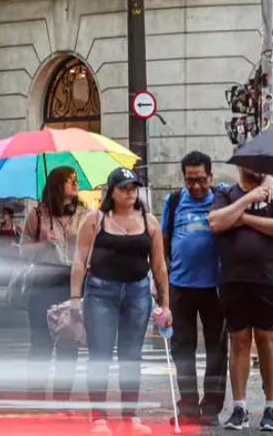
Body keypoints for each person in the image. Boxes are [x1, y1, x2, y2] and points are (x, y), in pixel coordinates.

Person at [70, 167, 171, 436]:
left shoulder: (149, 221)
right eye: (124, 187)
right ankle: (98, 417)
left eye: (133, 187)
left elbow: (159, 267)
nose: (130, 192)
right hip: (101, 293)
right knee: (99, 355)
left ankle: (130, 416)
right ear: (111, 192)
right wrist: (74, 299)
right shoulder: (95, 219)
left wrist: (166, 304)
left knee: (131, 357)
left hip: (138, 293)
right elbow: (79, 261)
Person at [209, 167, 273, 432]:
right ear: (240, 164)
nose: (255, 166)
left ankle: (270, 406)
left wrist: (243, 218)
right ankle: (240, 407)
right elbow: (215, 223)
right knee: (239, 340)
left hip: (268, 277)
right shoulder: (226, 194)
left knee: (267, 338)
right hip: (233, 277)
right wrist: (248, 199)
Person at [160, 151, 227, 426]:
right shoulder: (174, 201)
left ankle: (211, 406)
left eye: (201, 180)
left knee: (217, 349)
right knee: (182, 347)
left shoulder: (223, 197)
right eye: (190, 180)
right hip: (180, 286)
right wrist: (161, 281)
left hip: (216, 287)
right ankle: (188, 404)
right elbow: (163, 241)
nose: (196, 186)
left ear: (210, 176)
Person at [20, 166, 89, 403]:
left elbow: (93, 248)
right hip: (43, 282)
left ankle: (62, 399)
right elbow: (23, 252)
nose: (75, 184)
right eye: (70, 180)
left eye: (76, 180)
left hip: (73, 282)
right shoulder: (37, 215)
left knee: (69, 343)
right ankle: (36, 398)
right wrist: (42, 243)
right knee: (40, 343)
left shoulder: (85, 213)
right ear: (57, 185)